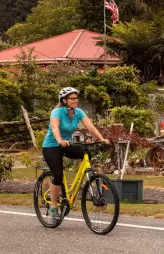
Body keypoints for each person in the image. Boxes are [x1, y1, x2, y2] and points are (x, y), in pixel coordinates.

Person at [42, 87, 110, 221]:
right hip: (52, 145)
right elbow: (55, 127)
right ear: (64, 100)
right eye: (72, 98)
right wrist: (60, 140)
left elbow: (90, 126)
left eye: (75, 98)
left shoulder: (78, 112)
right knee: (58, 175)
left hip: (68, 144)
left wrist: (101, 139)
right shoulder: (57, 112)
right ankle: (53, 208)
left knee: (85, 152)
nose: (75, 101)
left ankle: (84, 177)